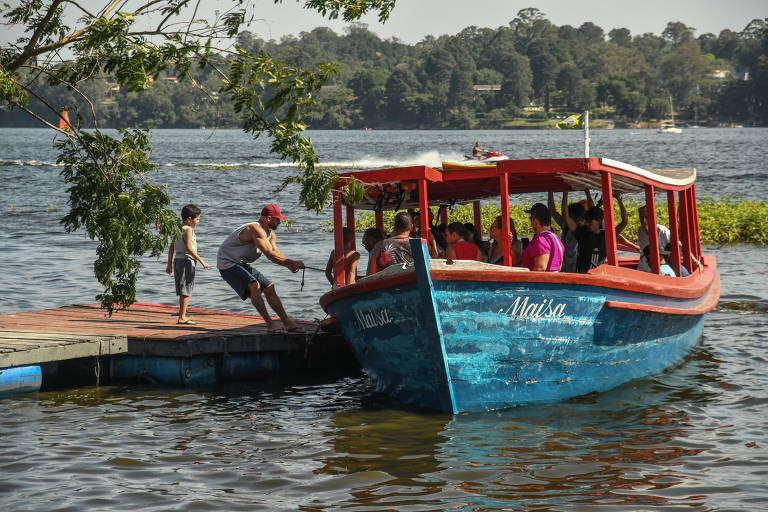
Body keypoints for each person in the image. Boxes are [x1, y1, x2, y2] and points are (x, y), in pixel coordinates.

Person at [217, 204, 305, 333]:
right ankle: (270, 325)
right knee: (254, 284)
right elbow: (269, 254)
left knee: (269, 287)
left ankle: (288, 323)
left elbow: (275, 253)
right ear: (268, 219)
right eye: (277, 219)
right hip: (227, 262)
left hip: (240, 263)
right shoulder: (254, 229)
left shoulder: (271, 234)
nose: (279, 222)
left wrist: (290, 265)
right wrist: (291, 262)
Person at [165, 204, 210, 324]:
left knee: (182, 289)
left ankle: (182, 314)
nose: (198, 222)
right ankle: (182, 317)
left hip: (177, 261)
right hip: (186, 261)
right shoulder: (189, 230)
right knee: (186, 290)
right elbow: (189, 249)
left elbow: (171, 248)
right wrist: (202, 261)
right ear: (189, 219)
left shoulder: (177, 229)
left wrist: (169, 264)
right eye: (197, 219)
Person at [563, 193, 629, 273]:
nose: (587, 224)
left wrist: (619, 200)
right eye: (586, 221)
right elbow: (566, 216)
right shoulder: (582, 232)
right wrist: (565, 194)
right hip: (582, 276)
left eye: (590, 222)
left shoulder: (606, 235)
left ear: (599, 221)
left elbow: (624, 222)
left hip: (598, 277)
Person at [548, 190, 588, 273]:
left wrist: (565, 192)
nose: (567, 217)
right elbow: (552, 210)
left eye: (570, 216)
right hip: (564, 264)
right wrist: (550, 190)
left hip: (574, 267)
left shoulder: (578, 229)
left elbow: (565, 214)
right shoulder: (565, 225)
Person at [519, 203, 565, 271]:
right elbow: (559, 267)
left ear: (535, 221)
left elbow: (540, 268)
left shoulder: (540, 240)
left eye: (531, 218)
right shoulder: (556, 238)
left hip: (539, 280)